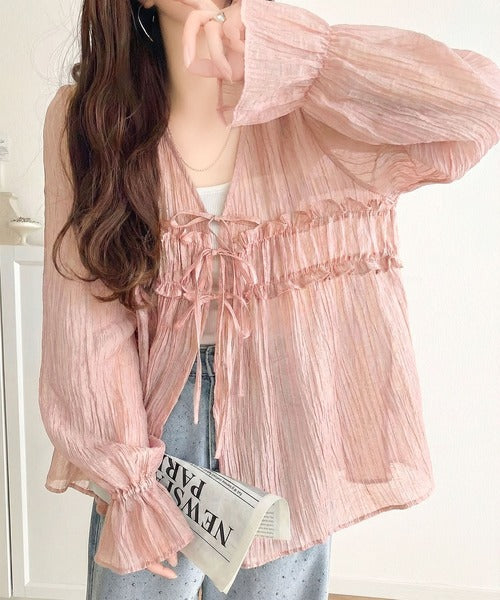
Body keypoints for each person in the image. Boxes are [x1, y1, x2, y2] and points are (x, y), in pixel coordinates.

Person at [38, 0, 500, 598]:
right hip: (147, 418)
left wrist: (294, 55)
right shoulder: (87, 121)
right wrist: (125, 473)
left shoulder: (312, 101)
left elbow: (479, 105)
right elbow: (85, 314)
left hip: (288, 403)